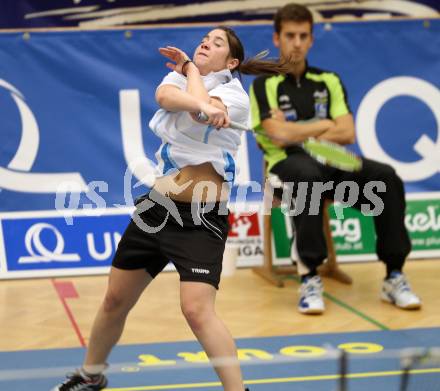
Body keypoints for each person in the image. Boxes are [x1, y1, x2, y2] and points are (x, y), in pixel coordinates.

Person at [52, 26, 287, 391]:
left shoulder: (234, 95)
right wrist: (195, 85)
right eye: (205, 38)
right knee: (115, 299)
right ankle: (91, 375)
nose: (207, 42)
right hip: (157, 208)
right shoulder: (179, 76)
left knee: (197, 311)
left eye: (218, 42)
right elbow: (166, 98)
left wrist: (202, 98)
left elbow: (200, 116)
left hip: (200, 220)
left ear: (232, 61)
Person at [250, 3, 421, 315]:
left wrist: (296, 129)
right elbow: (277, 135)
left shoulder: (328, 80)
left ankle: (394, 275)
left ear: (312, 40)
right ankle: (310, 276)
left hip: (333, 161)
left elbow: (348, 133)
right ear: (277, 39)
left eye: (304, 35)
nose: (297, 42)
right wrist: (324, 125)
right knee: (307, 177)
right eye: (290, 35)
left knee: (386, 176)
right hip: (286, 166)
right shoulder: (264, 83)